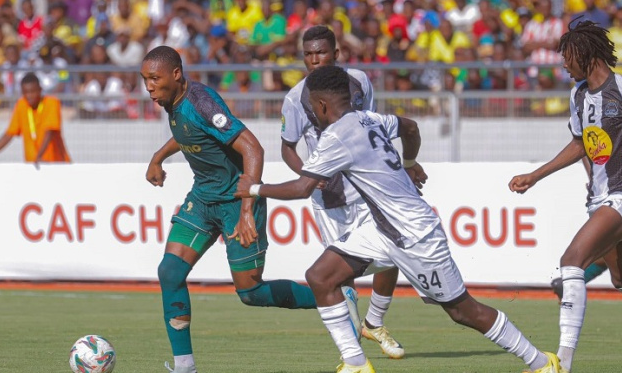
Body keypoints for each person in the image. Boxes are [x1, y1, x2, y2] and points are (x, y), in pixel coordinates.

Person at [238, 65, 560, 373]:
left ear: (322, 104)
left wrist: (253, 187)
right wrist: (409, 161)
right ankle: (355, 362)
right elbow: (410, 127)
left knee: (463, 311)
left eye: (312, 106)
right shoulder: (371, 119)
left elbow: (302, 188)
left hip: (416, 237)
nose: (312, 112)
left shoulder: (335, 137)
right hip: (383, 231)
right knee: (321, 276)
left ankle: (540, 362)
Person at [140, 46, 317, 373]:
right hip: (203, 200)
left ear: (176, 74)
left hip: (237, 203)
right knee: (170, 271)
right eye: (145, 79)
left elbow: (253, 148)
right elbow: (187, 134)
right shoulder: (172, 100)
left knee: (251, 292)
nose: (148, 86)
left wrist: (248, 208)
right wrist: (157, 157)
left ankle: (330, 297)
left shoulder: (204, 104)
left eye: (154, 78)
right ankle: (185, 366)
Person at [280, 25, 404, 359]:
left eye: (320, 52)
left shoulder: (360, 81)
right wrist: (306, 174)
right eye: (308, 54)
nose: (314, 60)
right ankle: (352, 355)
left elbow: (372, 126)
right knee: (341, 277)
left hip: (369, 188)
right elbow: (287, 148)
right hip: (329, 201)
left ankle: (374, 322)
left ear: (336, 54)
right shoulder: (295, 98)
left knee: (393, 253)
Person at [508, 20, 622, 373]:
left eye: (566, 58)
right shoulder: (578, 97)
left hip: (619, 195)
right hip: (599, 196)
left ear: (583, 54)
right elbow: (580, 145)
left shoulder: (620, 89)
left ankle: (561, 363)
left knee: (572, 261)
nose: (562, 65)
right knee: (619, 279)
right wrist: (536, 175)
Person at [0, 72, 71, 164]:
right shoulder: (21, 105)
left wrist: (39, 156)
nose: (29, 96)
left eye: (32, 92)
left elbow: (49, 132)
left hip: (55, 164)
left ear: (40, 90)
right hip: (33, 166)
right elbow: (9, 134)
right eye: (26, 92)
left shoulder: (52, 103)